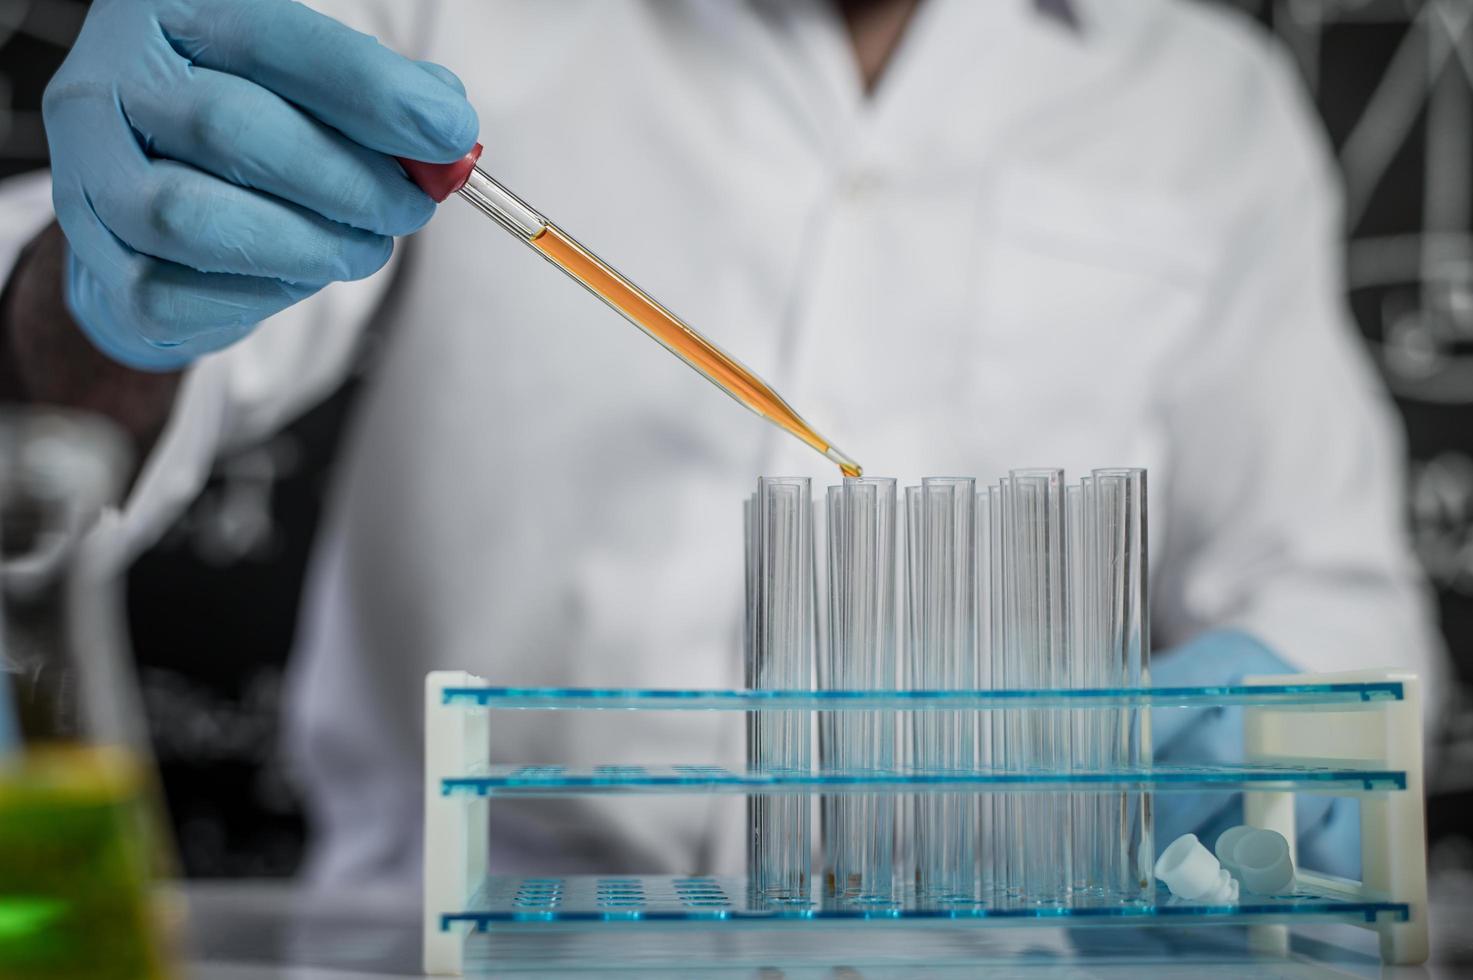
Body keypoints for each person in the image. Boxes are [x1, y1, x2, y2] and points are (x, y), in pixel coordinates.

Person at [0, 0, 1441, 887]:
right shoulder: (442, 13)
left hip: (991, 941)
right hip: (441, 933)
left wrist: (1286, 724)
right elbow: (71, 396)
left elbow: (1328, 595)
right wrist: (89, 290)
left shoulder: (1206, 99)